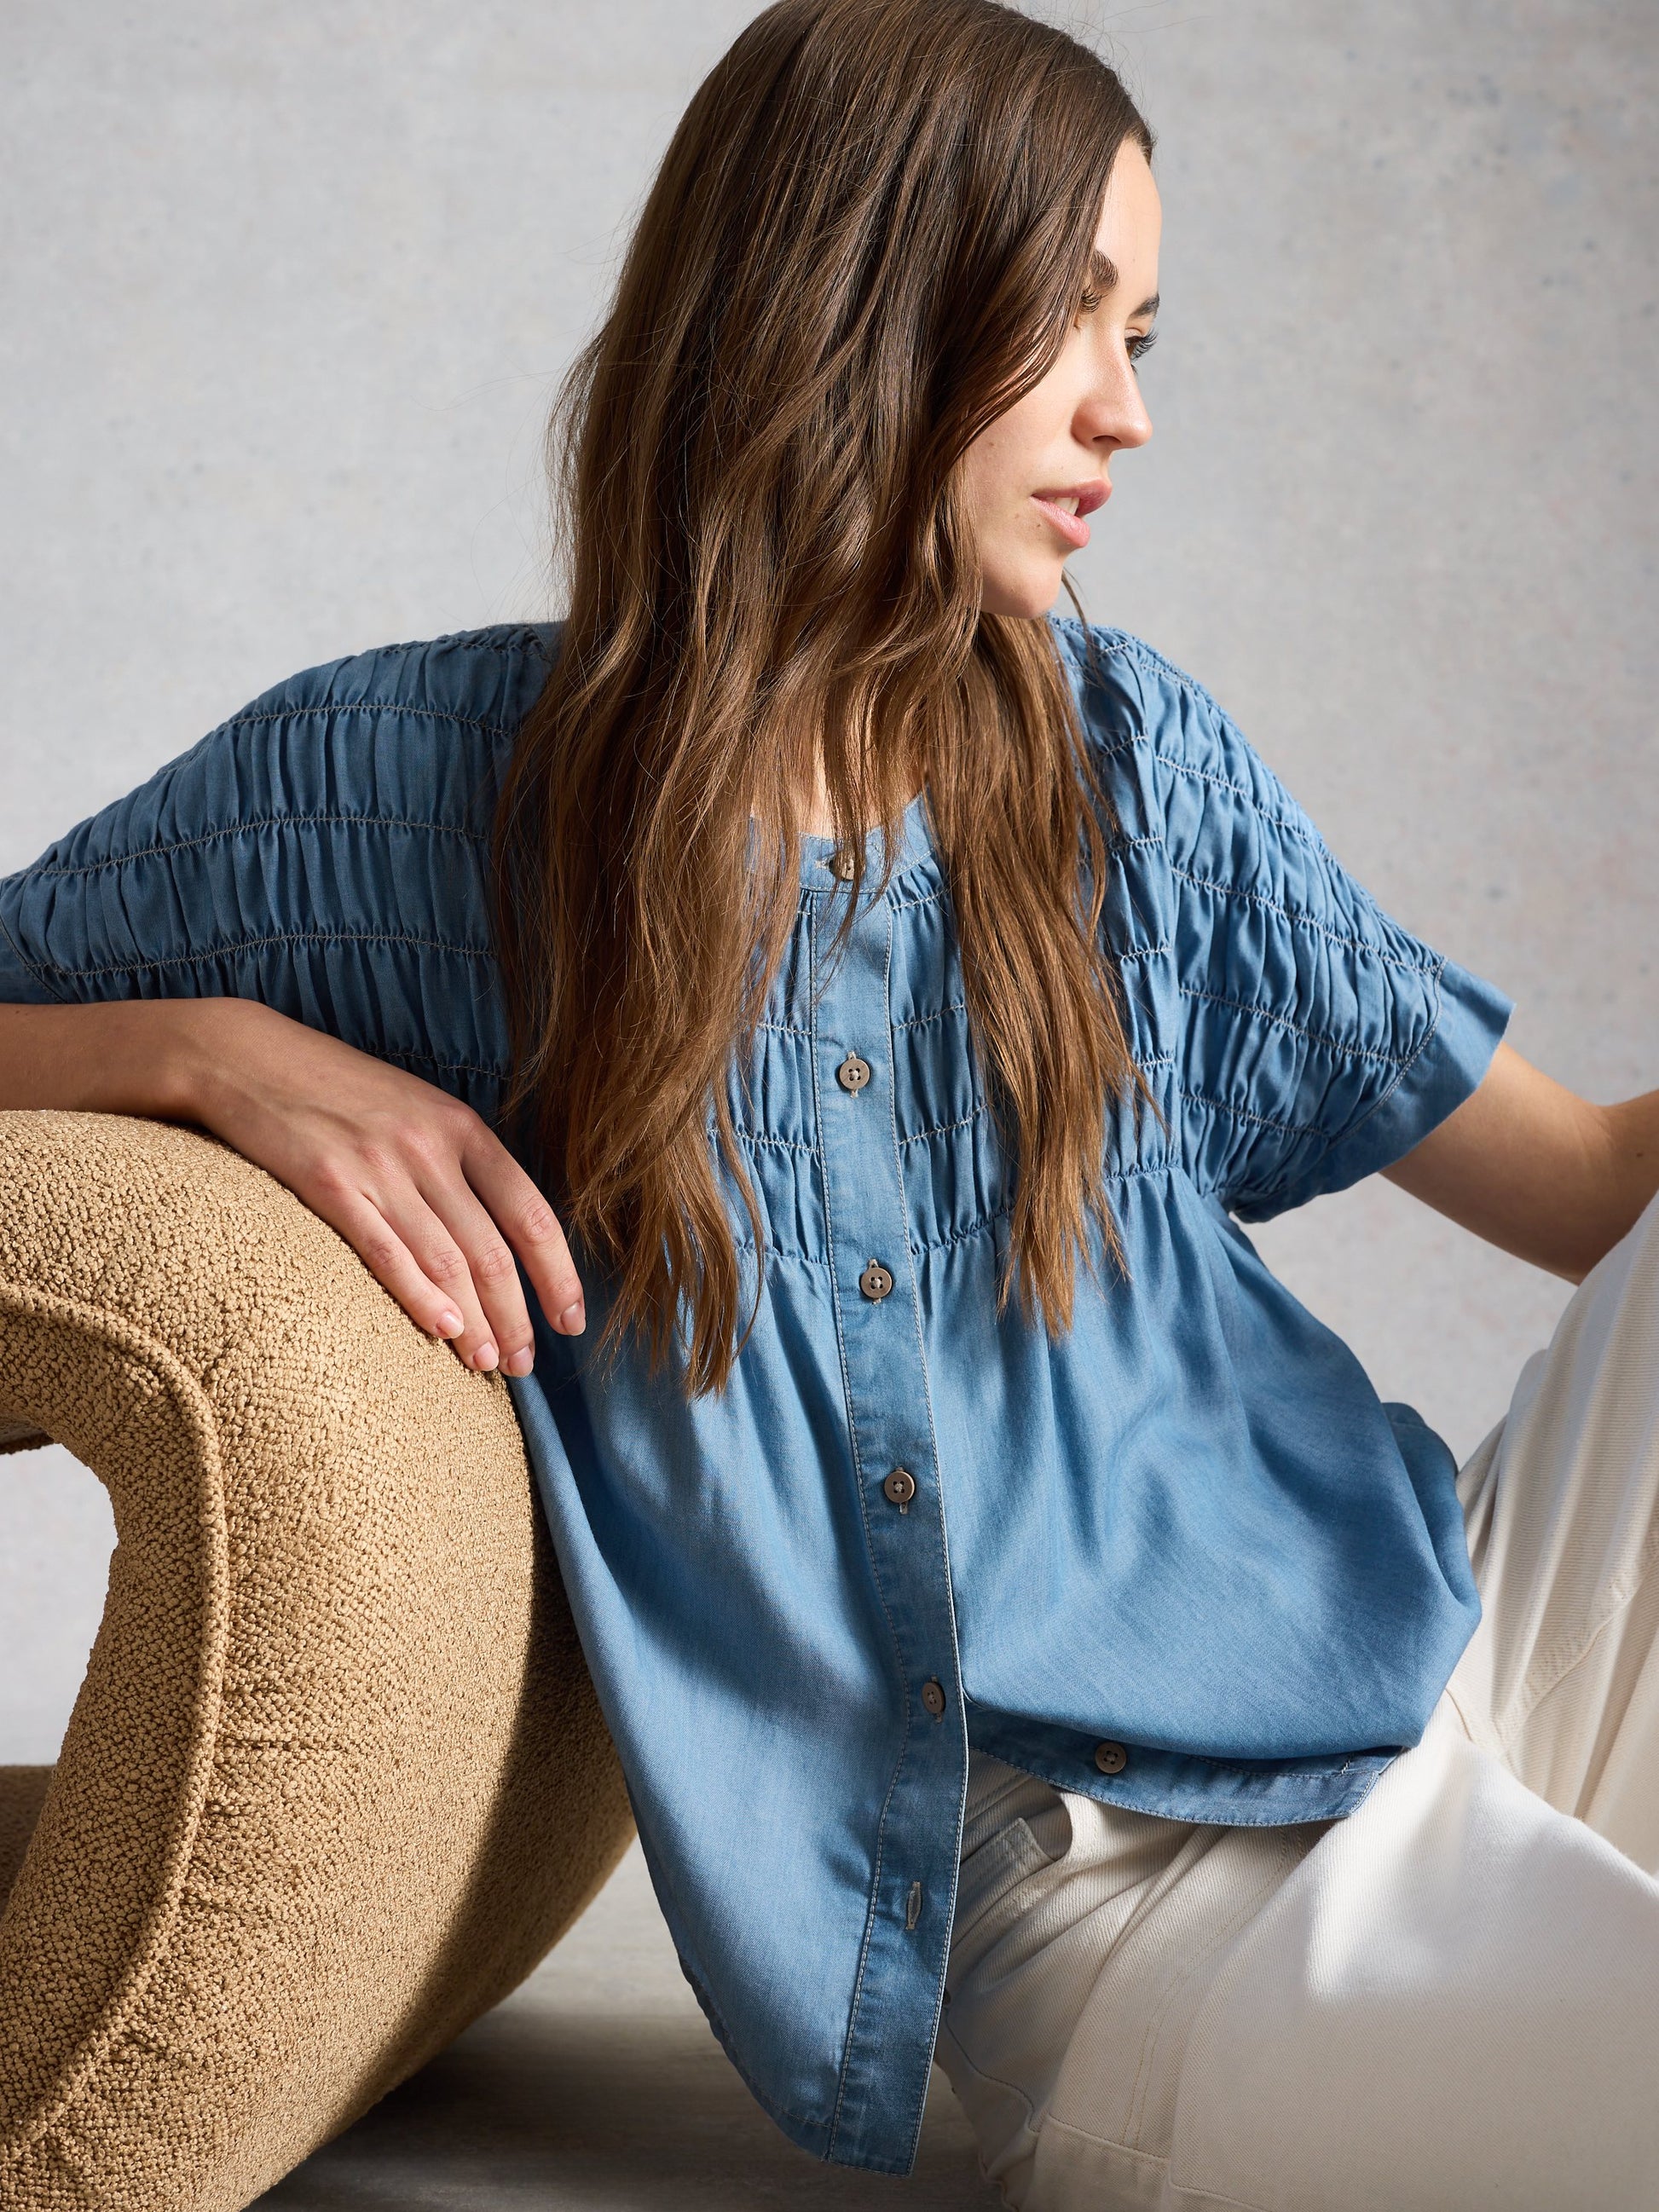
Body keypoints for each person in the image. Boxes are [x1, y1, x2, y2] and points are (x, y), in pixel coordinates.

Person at [3, 2, 1657, 2203]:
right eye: (1070, 320)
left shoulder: (1137, 766)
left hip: (1458, 1641)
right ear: (856, 304)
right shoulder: (415, 803)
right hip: (1157, 1930)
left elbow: (1593, 1188)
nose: (1127, 412)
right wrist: (203, 1051)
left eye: (1141, 334)